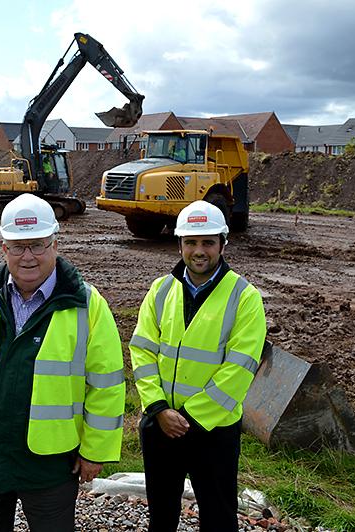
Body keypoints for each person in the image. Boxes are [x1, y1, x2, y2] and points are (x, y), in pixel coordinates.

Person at [0, 193, 125, 532]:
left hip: (50, 464)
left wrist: (95, 450)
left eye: (38, 246)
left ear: (55, 244)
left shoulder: (88, 305)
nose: (28, 257)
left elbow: (107, 384)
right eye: (18, 247)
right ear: (4, 249)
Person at [129, 200, 266, 532]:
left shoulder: (244, 298)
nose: (199, 250)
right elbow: (142, 352)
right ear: (180, 244)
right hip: (161, 423)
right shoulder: (161, 290)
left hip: (213, 429)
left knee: (218, 516)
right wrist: (159, 409)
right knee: (161, 514)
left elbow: (240, 369)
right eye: (191, 242)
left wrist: (190, 419)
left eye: (208, 242)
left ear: (223, 243)